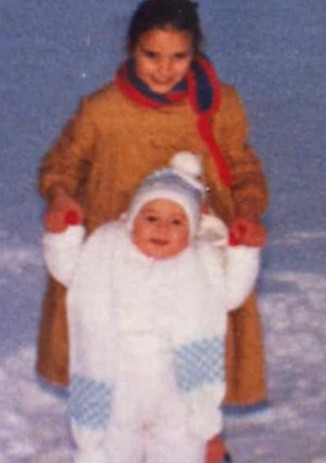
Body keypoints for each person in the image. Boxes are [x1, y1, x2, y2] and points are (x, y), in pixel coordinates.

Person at [37, 0, 268, 415]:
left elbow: (243, 167)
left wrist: (247, 211)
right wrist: (61, 196)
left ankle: (201, 438)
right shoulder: (102, 109)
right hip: (118, 249)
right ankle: (115, 435)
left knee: (193, 342)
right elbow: (61, 164)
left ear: (196, 52)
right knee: (124, 346)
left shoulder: (219, 104)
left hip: (197, 245)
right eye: (151, 55)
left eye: (179, 57)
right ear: (131, 49)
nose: (164, 69)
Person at [43, 152, 254, 463]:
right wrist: (63, 235)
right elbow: (71, 271)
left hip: (177, 384)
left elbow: (231, 294)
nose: (161, 229)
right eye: (151, 218)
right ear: (131, 219)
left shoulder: (201, 262)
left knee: (180, 446)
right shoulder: (107, 247)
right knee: (108, 448)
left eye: (176, 221)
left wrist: (243, 252)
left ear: (193, 229)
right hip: (114, 381)